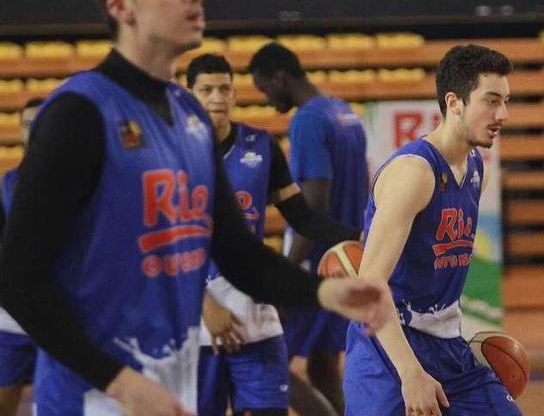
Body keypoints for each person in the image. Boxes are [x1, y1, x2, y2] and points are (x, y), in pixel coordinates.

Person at [0, 0, 393, 416]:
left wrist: (329, 291)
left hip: (169, 383)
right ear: (122, 7)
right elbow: (18, 280)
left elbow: (239, 256)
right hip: (95, 396)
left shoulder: (190, 119)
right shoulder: (77, 114)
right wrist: (122, 384)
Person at [341, 44, 522, 416]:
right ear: (454, 102)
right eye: (490, 101)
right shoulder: (414, 173)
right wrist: (410, 372)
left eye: (505, 101)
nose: (502, 113)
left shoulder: (476, 169)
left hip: (448, 346)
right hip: (389, 352)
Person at [186, 54, 352, 416]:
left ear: (234, 94)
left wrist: (362, 235)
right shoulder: (170, 154)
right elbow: (164, 242)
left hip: (255, 317)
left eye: (224, 89)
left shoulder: (260, 146)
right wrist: (205, 304)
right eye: (206, 90)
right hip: (193, 324)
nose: (217, 97)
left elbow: (304, 218)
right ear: (189, 96)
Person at [249, 42, 369, 413]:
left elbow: (312, 207)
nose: (267, 100)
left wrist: (284, 275)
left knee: (266, 367)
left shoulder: (308, 120)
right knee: (323, 368)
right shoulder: (344, 112)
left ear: (280, 79)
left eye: (265, 89)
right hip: (345, 260)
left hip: (315, 266)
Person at [0, 97, 43, 416]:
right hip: (12, 317)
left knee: (56, 406)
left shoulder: (84, 183)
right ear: (20, 131)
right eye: (29, 125)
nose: (37, 130)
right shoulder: (5, 186)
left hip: (64, 315)